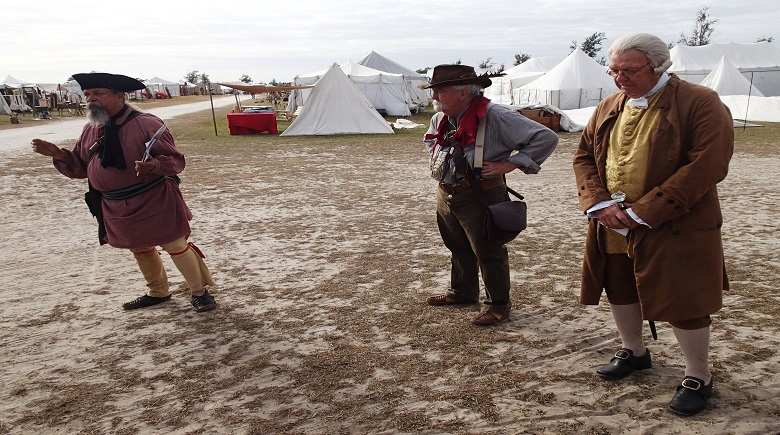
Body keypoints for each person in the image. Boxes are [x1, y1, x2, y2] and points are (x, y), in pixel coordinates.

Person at [572, 33, 734, 416]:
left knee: (684, 299)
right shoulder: (609, 105)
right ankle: (635, 351)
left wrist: (644, 211)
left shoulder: (700, 102)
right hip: (611, 222)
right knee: (619, 285)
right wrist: (597, 202)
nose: (619, 79)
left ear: (660, 66)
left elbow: (708, 164)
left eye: (629, 70)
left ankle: (698, 374)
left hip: (676, 223)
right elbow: (583, 157)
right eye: (613, 70)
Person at [31, 72, 218, 313]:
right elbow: (80, 166)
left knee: (175, 244)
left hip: (153, 197)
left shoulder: (147, 123)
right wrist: (57, 154)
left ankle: (200, 292)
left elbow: (175, 160)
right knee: (139, 247)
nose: (90, 99)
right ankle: (158, 292)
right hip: (115, 204)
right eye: (88, 94)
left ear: (119, 96)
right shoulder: (91, 130)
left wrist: (154, 166)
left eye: (98, 93)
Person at [422, 64, 559, 326]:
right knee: (457, 245)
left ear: (464, 94)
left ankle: (498, 305)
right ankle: (462, 292)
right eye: (434, 91)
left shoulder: (495, 115)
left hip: (482, 194)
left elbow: (545, 137)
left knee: (488, 250)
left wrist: (512, 163)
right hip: (447, 192)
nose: (434, 97)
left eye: (440, 91)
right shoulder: (440, 118)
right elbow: (430, 140)